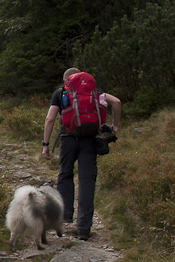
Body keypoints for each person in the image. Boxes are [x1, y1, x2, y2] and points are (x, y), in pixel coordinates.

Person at [42, 68, 121, 240]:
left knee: (65, 175)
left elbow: (49, 119)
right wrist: (114, 127)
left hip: (68, 138)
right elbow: (116, 102)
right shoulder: (95, 92)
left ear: (67, 79)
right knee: (87, 180)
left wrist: (46, 145)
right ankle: (84, 227)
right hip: (90, 140)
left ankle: (65, 215)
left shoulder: (61, 92)